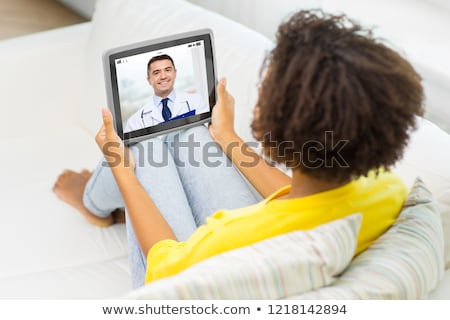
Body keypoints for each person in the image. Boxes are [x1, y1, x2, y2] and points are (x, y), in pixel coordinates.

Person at [53, 9, 424, 288]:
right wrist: (228, 137)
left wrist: (124, 173)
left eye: (266, 88)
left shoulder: (233, 237)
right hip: (277, 223)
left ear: (276, 128)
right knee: (190, 132)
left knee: (144, 145)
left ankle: (94, 201)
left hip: (180, 278)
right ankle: (105, 198)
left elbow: (164, 267)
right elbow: (299, 197)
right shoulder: (387, 189)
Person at [124, 54, 209, 132]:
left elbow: (207, 134)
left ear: (175, 73)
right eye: (156, 73)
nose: (163, 76)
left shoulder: (196, 101)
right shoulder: (135, 121)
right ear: (149, 80)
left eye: (168, 70)